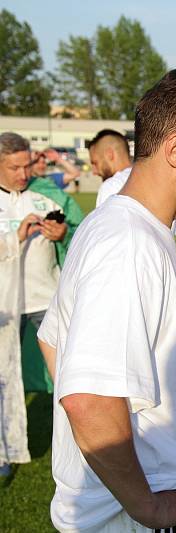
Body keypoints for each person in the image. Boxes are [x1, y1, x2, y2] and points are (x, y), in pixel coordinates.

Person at [36, 68, 176, 532]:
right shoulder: (126, 244)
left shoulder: (129, 228)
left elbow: (53, 341)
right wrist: (146, 505)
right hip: (132, 519)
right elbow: (87, 398)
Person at [0, 132, 83, 479]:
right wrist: (14, 237)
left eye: (26, 165)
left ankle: (81, 449)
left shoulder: (45, 195)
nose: (23, 174)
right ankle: (4, 452)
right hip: (4, 305)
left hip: (45, 298)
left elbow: (80, 235)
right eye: (14, 167)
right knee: (2, 378)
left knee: (70, 373)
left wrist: (61, 236)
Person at [89, 129, 133, 207]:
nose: (94, 172)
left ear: (109, 154)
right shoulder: (148, 178)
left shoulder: (112, 186)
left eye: (95, 163)